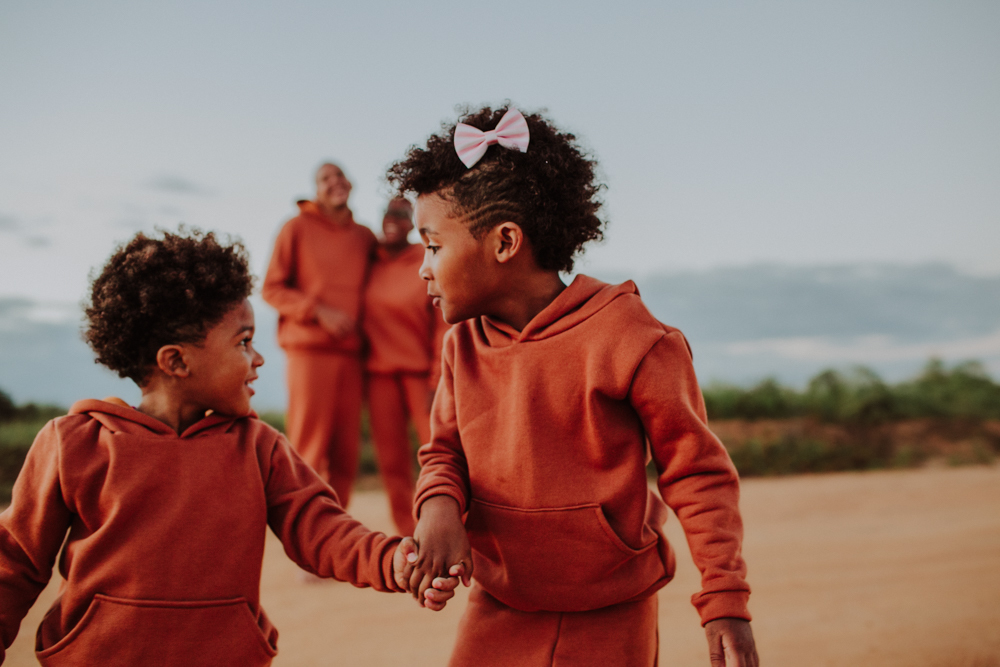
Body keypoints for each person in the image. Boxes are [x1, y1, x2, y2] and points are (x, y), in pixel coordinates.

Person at [389, 107, 760, 666]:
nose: (422, 267)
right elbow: (445, 452)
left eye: (433, 246)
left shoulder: (632, 337)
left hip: (614, 611)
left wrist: (725, 598)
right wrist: (438, 507)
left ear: (505, 241)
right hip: (501, 605)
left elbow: (696, 473)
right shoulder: (461, 346)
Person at [0, 229, 456, 666]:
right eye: (243, 342)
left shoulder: (259, 448)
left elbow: (322, 528)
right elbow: (14, 562)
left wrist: (392, 560)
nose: (258, 360)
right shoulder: (74, 442)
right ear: (176, 360)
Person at [262, 163, 376, 506]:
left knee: (346, 452)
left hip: (352, 355)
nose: (335, 182)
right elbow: (272, 289)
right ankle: (301, 521)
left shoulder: (364, 237)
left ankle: (335, 530)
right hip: (309, 352)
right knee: (309, 446)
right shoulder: (295, 228)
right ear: (316, 189)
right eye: (326, 178)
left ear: (351, 184)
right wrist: (318, 312)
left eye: (340, 176)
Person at [363, 197, 449, 535]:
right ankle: (407, 533)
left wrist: (437, 379)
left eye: (403, 214)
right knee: (392, 461)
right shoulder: (372, 263)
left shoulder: (424, 259)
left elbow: (442, 322)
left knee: (439, 450)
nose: (394, 219)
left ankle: (455, 528)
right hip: (379, 374)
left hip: (420, 374)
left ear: (412, 222)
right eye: (389, 212)